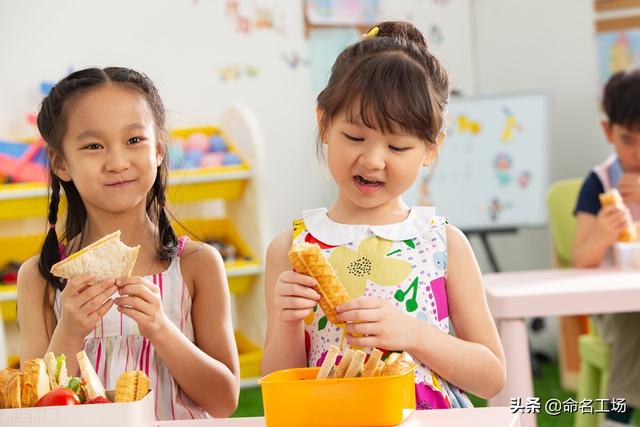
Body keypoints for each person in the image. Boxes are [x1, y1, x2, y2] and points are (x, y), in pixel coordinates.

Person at [261, 21, 506, 409]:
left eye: (397, 146)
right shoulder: (290, 250)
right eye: (355, 138)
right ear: (324, 123)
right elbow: (277, 384)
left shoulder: (443, 243)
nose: (373, 160)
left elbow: (491, 377)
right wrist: (288, 324)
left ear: (430, 148)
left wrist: (413, 334)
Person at [17, 67, 239, 419]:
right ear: (61, 163)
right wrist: (70, 331)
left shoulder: (198, 264)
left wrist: (162, 330)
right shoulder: (40, 277)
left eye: (134, 140)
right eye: (93, 146)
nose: (118, 162)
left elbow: (224, 402)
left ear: (159, 149)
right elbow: (35, 411)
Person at [573, 67, 640, 427]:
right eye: (629, 140)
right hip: (615, 310)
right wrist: (602, 233)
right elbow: (581, 258)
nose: (639, 153)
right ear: (607, 131)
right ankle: (618, 415)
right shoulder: (598, 182)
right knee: (635, 319)